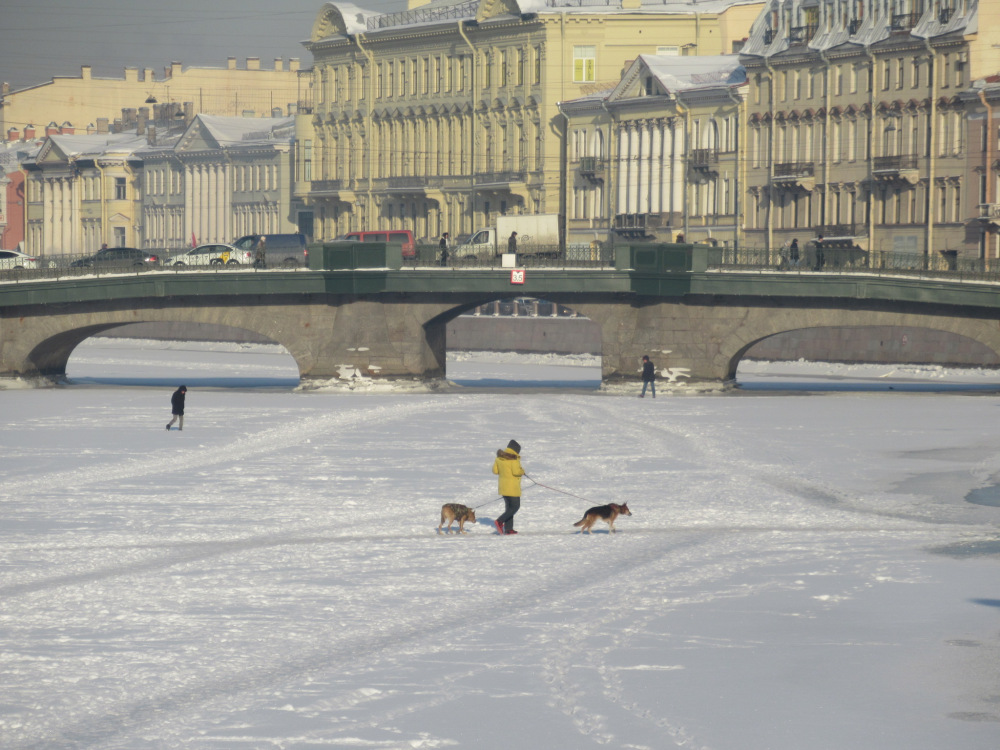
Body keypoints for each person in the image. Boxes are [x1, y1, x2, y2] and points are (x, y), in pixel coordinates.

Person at [492, 439, 525, 535]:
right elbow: (516, 472)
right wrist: (522, 471)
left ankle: (508, 529)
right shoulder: (514, 459)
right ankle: (500, 521)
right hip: (513, 488)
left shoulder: (499, 458)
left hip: (503, 487)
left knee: (509, 508)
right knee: (515, 507)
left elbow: (495, 471)